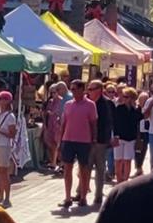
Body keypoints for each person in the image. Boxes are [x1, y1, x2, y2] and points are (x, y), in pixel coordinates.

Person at [59, 80, 97, 208]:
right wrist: (60, 141)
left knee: (84, 169)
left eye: (75, 89)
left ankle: (83, 196)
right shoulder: (68, 104)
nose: (73, 92)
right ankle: (67, 197)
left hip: (84, 141)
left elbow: (93, 124)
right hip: (68, 140)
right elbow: (64, 123)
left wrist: (94, 139)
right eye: (71, 89)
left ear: (82, 89)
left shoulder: (90, 105)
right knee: (67, 168)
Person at [86, 80, 115, 208]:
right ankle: (81, 192)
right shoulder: (87, 102)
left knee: (99, 168)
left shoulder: (107, 103)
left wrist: (110, 138)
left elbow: (110, 123)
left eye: (91, 89)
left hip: (101, 141)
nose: (88, 91)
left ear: (99, 90)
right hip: (87, 140)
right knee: (85, 167)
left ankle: (98, 196)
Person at [0, 91, 19, 208]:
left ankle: (7, 197)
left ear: (6, 101)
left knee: (4, 172)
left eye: (0, 99)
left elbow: (12, 134)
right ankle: (0, 195)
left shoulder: (10, 116)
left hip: (5, 145)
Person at [112, 87, 141, 184]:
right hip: (119, 137)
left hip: (130, 138)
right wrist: (115, 136)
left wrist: (135, 107)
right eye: (123, 96)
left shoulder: (136, 110)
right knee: (118, 160)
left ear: (132, 98)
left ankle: (125, 182)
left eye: (126, 96)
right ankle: (119, 181)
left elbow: (138, 120)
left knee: (127, 160)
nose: (123, 98)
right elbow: (115, 123)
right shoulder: (119, 108)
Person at [43, 82, 67, 172]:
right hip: (50, 124)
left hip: (58, 125)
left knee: (58, 145)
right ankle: (54, 162)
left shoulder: (62, 101)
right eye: (51, 92)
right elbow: (46, 113)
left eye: (54, 92)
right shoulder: (50, 101)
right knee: (51, 144)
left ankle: (61, 163)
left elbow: (61, 113)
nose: (52, 94)